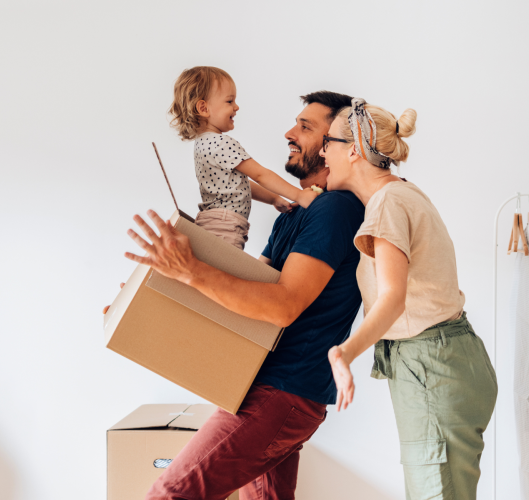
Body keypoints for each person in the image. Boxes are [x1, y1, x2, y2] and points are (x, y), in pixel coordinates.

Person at [123, 91, 362, 500]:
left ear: (334, 144)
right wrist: (150, 300)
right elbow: (244, 292)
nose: (289, 133)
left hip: (282, 392)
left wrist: (190, 270)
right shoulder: (296, 212)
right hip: (265, 388)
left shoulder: (336, 209)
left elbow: (282, 306)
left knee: (170, 494)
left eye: (305, 127)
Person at [323, 98, 498, 500]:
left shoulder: (387, 204)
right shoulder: (402, 194)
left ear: (354, 149)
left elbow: (393, 298)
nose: (322, 152)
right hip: (445, 362)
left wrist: (344, 353)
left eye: (328, 142)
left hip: (432, 367)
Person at [168, 66, 319, 250]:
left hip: (212, 223)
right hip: (225, 226)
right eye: (229, 101)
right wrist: (300, 195)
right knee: (225, 267)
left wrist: (273, 199)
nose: (236, 107)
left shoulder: (203, 144)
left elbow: (239, 183)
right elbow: (260, 175)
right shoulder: (221, 143)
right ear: (204, 108)